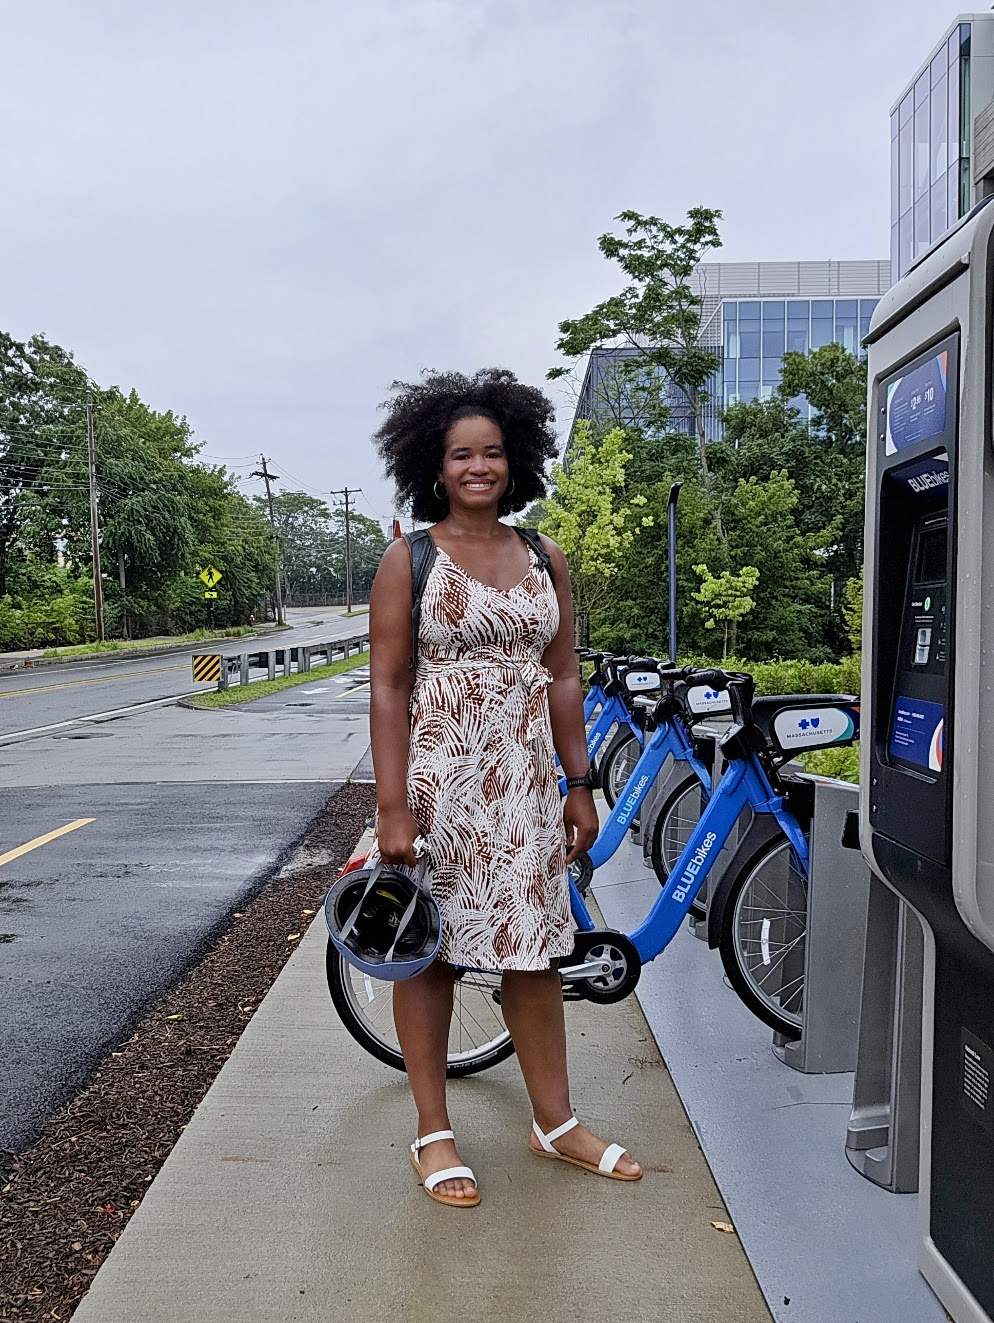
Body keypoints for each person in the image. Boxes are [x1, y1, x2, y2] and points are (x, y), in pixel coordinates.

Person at [367, 367, 642, 1208]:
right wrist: (391, 805)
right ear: (435, 466)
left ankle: (554, 1122)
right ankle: (433, 1130)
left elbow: (563, 675)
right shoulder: (408, 557)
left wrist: (580, 781)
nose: (478, 466)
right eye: (461, 454)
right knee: (432, 951)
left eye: (493, 452)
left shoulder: (545, 556)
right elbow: (387, 684)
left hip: (523, 783)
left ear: (515, 459)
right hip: (440, 780)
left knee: (536, 955)